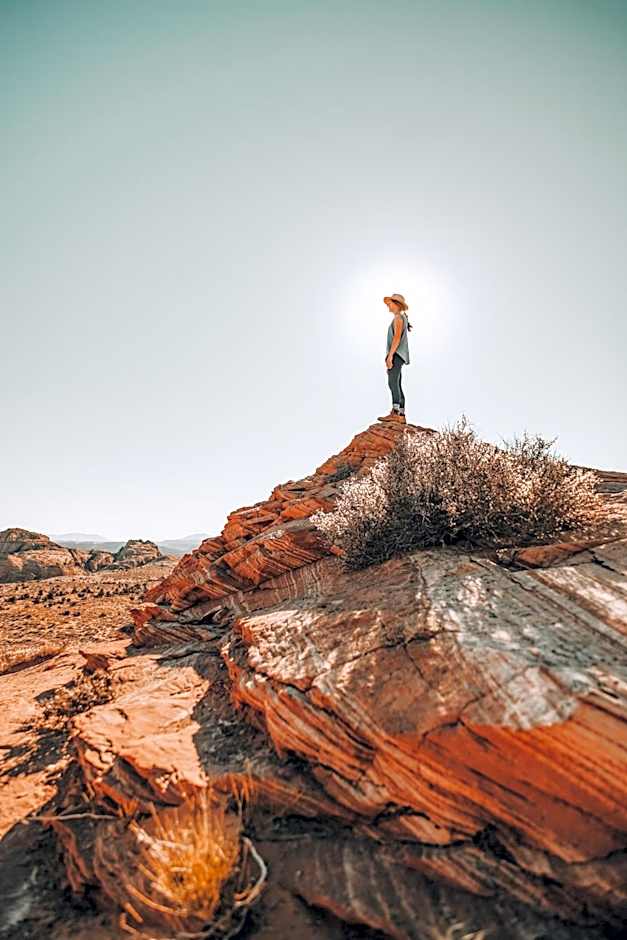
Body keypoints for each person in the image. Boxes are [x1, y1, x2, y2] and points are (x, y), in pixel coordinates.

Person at [378, 293, 412, 422]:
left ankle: (395, 412)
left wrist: (390, 356)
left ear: (396, 305)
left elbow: (397, 338)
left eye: (390, 304)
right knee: (397, 383)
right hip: (400, 355)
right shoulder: (402, 318)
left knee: (392, 382)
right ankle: (401, 415)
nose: (388, 306)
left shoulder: (398, 318)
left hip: (397, 354)